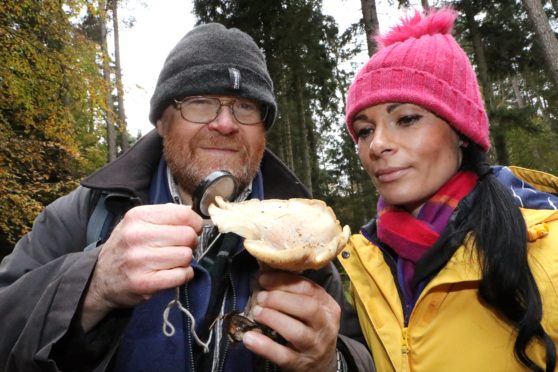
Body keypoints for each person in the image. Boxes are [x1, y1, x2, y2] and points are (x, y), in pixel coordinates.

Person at [0, 23, 373, 372]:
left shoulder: (304, 243)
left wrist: (330, 362)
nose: (225, 124)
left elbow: (364, 354)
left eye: (245, 107)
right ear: (163, 122)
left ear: (263, 129)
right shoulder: (88, 213)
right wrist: (92, 286)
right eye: (199, 101)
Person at [338, 7, 558, 372]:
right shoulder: (366, 266)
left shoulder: (548, 251)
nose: (377, 145)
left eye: (406, 119)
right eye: (364, 130)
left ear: (461, 132)